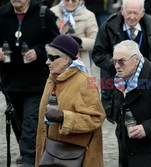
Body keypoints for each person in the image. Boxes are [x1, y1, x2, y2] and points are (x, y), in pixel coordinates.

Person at [0, 0, 59, 166]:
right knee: (16, 119)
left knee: (31, 120)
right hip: (10, 80)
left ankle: (29, 157)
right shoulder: (2, 14)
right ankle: (26, 149)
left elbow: (55, 41)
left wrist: (39, 52)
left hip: (37, 80)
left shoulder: (43, 13)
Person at [92, 0, 151, 122]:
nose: (132, 17)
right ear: (122, 10)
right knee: (122, 122)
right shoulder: (108, 27)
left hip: (146, 82)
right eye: (128, 13)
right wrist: (120, 65)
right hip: (118, 84)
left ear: (142, 13)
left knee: (145, 118)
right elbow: (98, 55)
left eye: (135, 13)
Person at [35, 35, 106, 167]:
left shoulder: (84, 81)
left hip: (77, 158)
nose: (47, 62)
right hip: (50, 156)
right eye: (47, 56)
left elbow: (96, 118)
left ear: (66, 59)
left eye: (52, 57)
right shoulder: (52, 78)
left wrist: (64, 117)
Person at [50, 0, 98, 72]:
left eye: (73, 1)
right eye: (67, 0)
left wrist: (79, 42)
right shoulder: (52, 12)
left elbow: (95, 41)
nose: (70, 3)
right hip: (56, 61)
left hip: (80, 62)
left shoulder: (89, 15)